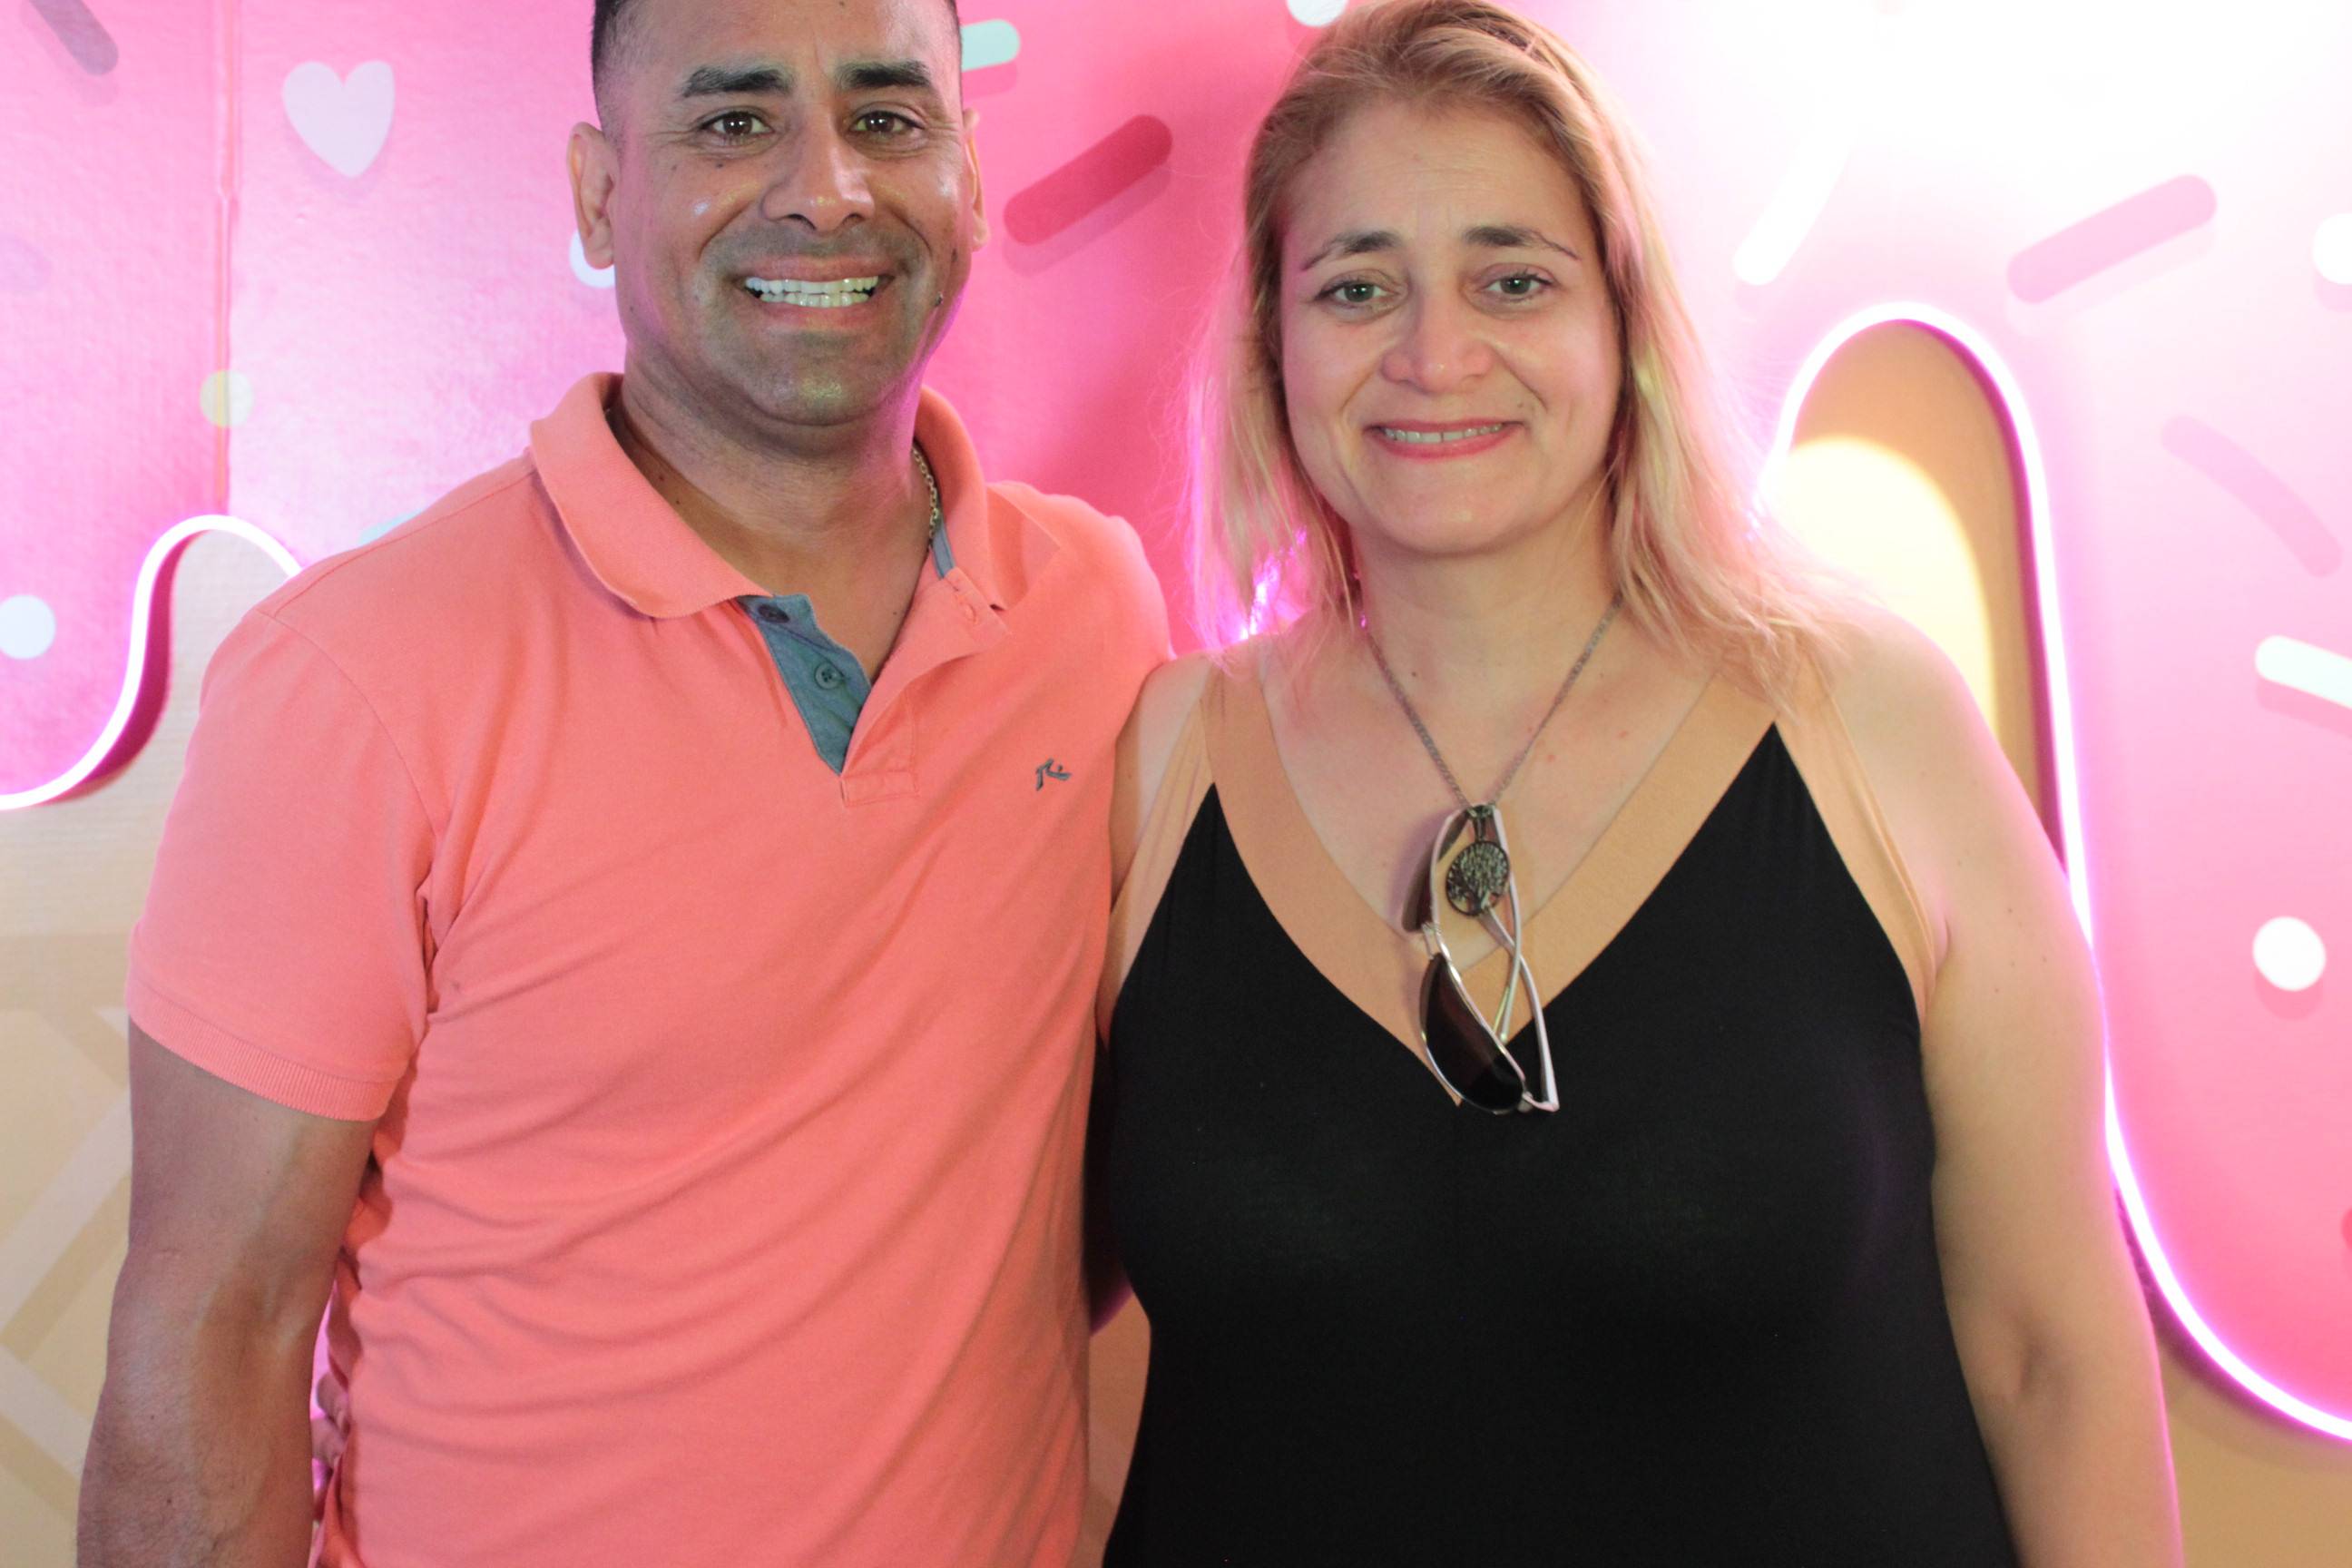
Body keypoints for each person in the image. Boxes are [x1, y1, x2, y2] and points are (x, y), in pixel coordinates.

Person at [1093, 2, 2182, 1563]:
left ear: (1625, 328)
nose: (1435, 355)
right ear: (1275, 342)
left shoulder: (1871, 724)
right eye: (1357, 287)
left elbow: (2051, 1360)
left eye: (1514, 279)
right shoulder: (1160, 757)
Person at [76, 0, 1164, 1562]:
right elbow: (212, 1338)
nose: (827, 189)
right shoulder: (354, 676)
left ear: (971, 177)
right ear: (600, 194)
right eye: (733, 122)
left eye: (886, 118)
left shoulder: (1095, 612)